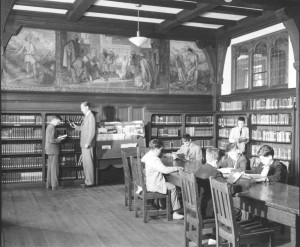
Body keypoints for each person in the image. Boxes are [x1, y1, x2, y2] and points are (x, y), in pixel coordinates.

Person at [194, 148, 243, 220]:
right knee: (237, 212)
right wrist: (241, 187)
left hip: (199, 206)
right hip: (209, 210)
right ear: (216, 162)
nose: (220, 165)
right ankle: (229, 230)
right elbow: (229, 189)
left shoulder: (199, 169)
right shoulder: (215, 173)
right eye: (221, 162)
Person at [141, 139, 184, 220]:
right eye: (160, 150)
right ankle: (174, 212)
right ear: (156, 149)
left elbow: (142, 160)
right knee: (173, 187)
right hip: (154, 185)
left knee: (166, 183)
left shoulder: (148, 155)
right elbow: (165, 170)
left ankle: (163, 206)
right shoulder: (155, 159)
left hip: (148, 182)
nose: (161, 152)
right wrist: (177, 168)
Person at [70, 102, 96, 188]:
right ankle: (87, 181)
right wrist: (76, 127)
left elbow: (92, 131)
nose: (81, 110)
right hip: (84, 144)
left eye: (82, 108)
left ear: (87, 107)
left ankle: (90, 182)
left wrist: (88, 143)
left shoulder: (91, 116)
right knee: (85, 163)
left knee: (88, 163)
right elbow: (84, 129)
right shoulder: (87, 117)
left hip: (87, 144)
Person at [45, 115, 66, 190]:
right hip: (53, 150)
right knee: (54, 168)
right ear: (54, 120)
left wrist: (58, 137)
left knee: (50, 168)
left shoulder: (48, 126)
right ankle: (55, 185)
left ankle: (49, 184)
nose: (58, 123)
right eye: (58, 121)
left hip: (49, 150)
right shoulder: (52, 127)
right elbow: (52, 140)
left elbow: (51, 139)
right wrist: (60, 139)